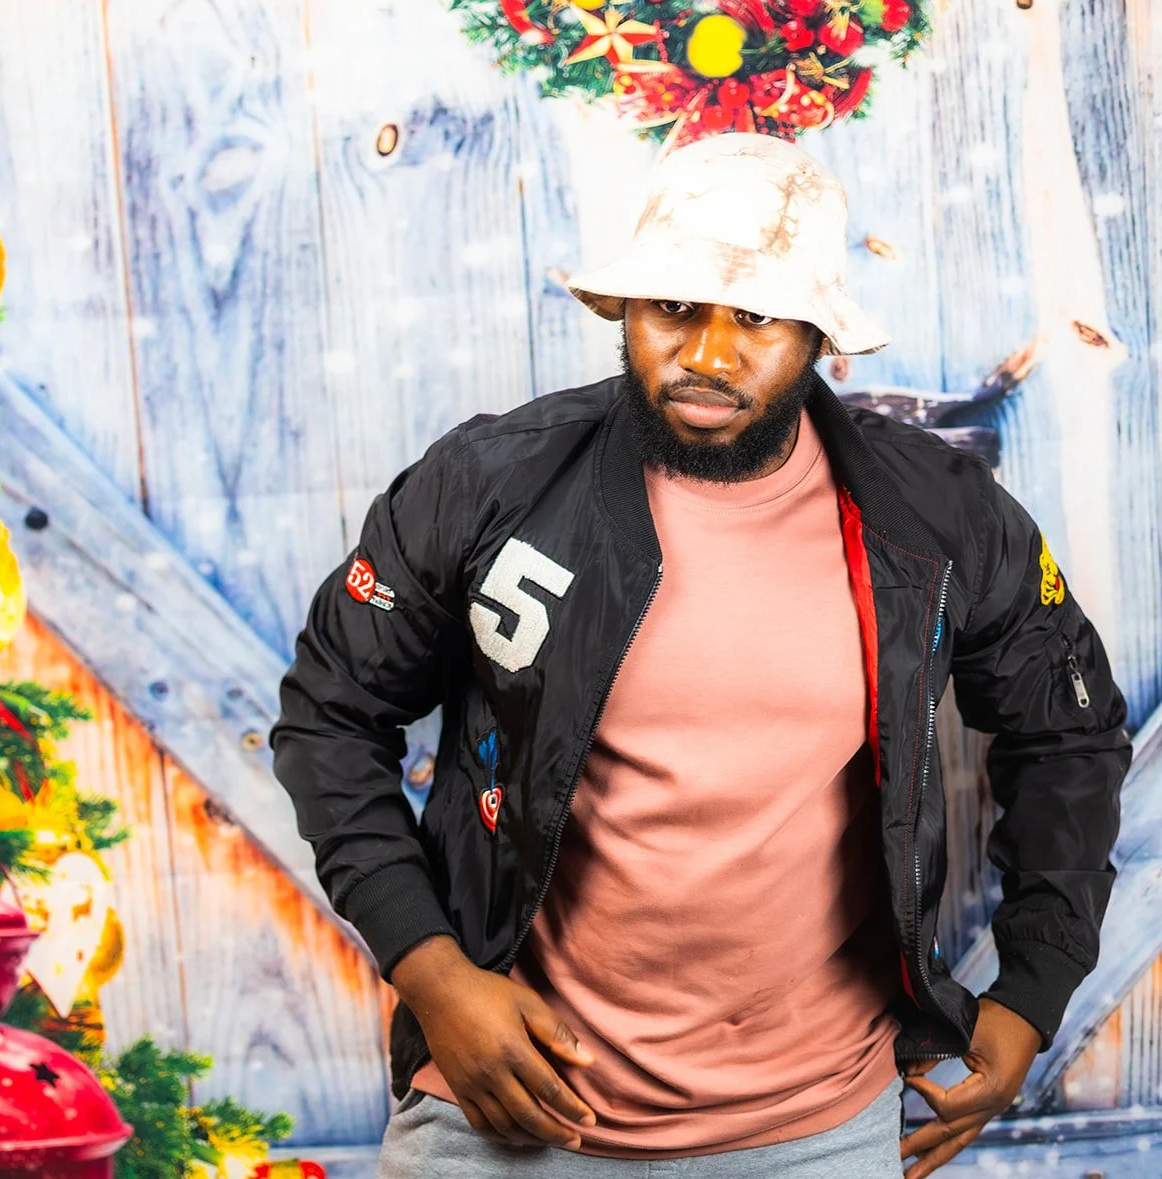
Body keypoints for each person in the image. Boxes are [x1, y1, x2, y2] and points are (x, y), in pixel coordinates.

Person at [268, 133, 1129, 1179]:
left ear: (818, 335)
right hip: (498, 1109)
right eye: (675, 307)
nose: (710, 355)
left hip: (822, 1128)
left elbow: (1068, 731)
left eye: (756, 317)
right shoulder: (490, 482)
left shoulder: (933, 512)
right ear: (625, 310)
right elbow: (328, 713)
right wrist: (432, 970)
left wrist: (1031, 993)